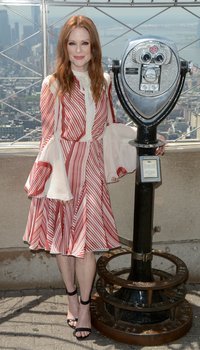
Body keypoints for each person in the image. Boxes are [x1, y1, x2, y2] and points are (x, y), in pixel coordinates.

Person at [23, 15, 122, 341]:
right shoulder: (52, 84)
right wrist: (46, 180)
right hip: (63, 171)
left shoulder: (104, 81)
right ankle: (70, 297)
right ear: (64, 47)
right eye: (72, 43)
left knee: (86, 245)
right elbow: (48, 137)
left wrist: (148, 143)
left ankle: (83, 306)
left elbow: (111, 129)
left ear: (94, 47)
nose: (79, 50)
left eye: (85, 43)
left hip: (91, 168)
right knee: (64, 244)